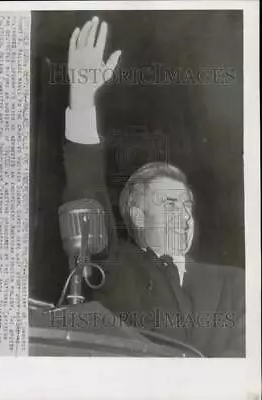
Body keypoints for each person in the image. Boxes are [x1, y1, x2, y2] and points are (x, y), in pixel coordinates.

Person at [62, 16, 245, 357]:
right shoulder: (113, 268)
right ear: (137, 214)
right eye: (168, 203)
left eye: (187, 205)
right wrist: (83, 98)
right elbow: (85, 191)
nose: (184, 214)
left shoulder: (235, 284)